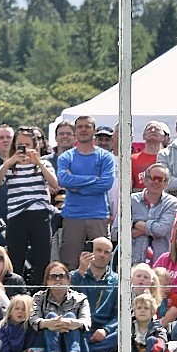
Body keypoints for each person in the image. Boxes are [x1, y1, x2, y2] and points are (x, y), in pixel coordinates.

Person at [0, 126, 58, 284]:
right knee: (15, 258)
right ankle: (14, 292)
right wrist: (10, 161)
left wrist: (38, 162)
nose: (24, 148)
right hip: (17, 216)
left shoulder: (43, 164)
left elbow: (54, 183)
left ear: (35, 145)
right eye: (20, 145)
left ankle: (40, 292)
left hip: (40, 215)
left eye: (27, 145)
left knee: (42, 258)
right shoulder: (11, 166)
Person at [54, 115, 115, 271]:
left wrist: (76, 185)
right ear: (75, 131)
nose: (83, 130)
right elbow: (63, 180)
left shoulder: (106, 157)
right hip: (73, 216)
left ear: (94, 130)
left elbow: (106, 183)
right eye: (80, 127)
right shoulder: (66, 157)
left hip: (98, 215)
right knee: (70, 263)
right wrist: (93, 179)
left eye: (87, 126)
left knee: (101, 262)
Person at [31, 264, 91, 352]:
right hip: (46, 350)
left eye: (61, 276)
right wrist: (48, 323)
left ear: (68, 280)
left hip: (78, 349)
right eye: (53, 276)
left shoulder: (80, 298)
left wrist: (71, 323)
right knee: (50, 316)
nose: (57, 279)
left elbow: (87, 322)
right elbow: (33, 319)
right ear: (47, 281)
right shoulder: (39, 297)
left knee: (70, 316)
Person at [70, 236, 119, 352]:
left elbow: (120, 314)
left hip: (104, 333)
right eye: (98, 250)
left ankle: (79, 351)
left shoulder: (117, 281)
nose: (102, 255)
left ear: (111, 255)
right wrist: (80, 271)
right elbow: (65, 300)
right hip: (79, 328)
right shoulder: (74, 276)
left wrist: (106, 330)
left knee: (123, 334)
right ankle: (84, 351)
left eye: (106, 252)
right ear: (90, 251)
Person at [130, 163, 177, 264]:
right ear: (145, 180)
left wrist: (134, 224)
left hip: (159, 263)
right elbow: (116, 232)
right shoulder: (131, 200)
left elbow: (161, 230)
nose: (156, 182)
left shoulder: (172, 203)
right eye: (153, 178)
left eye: (160, 179)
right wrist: (152, 230)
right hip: (132, 261)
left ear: (166, 184)